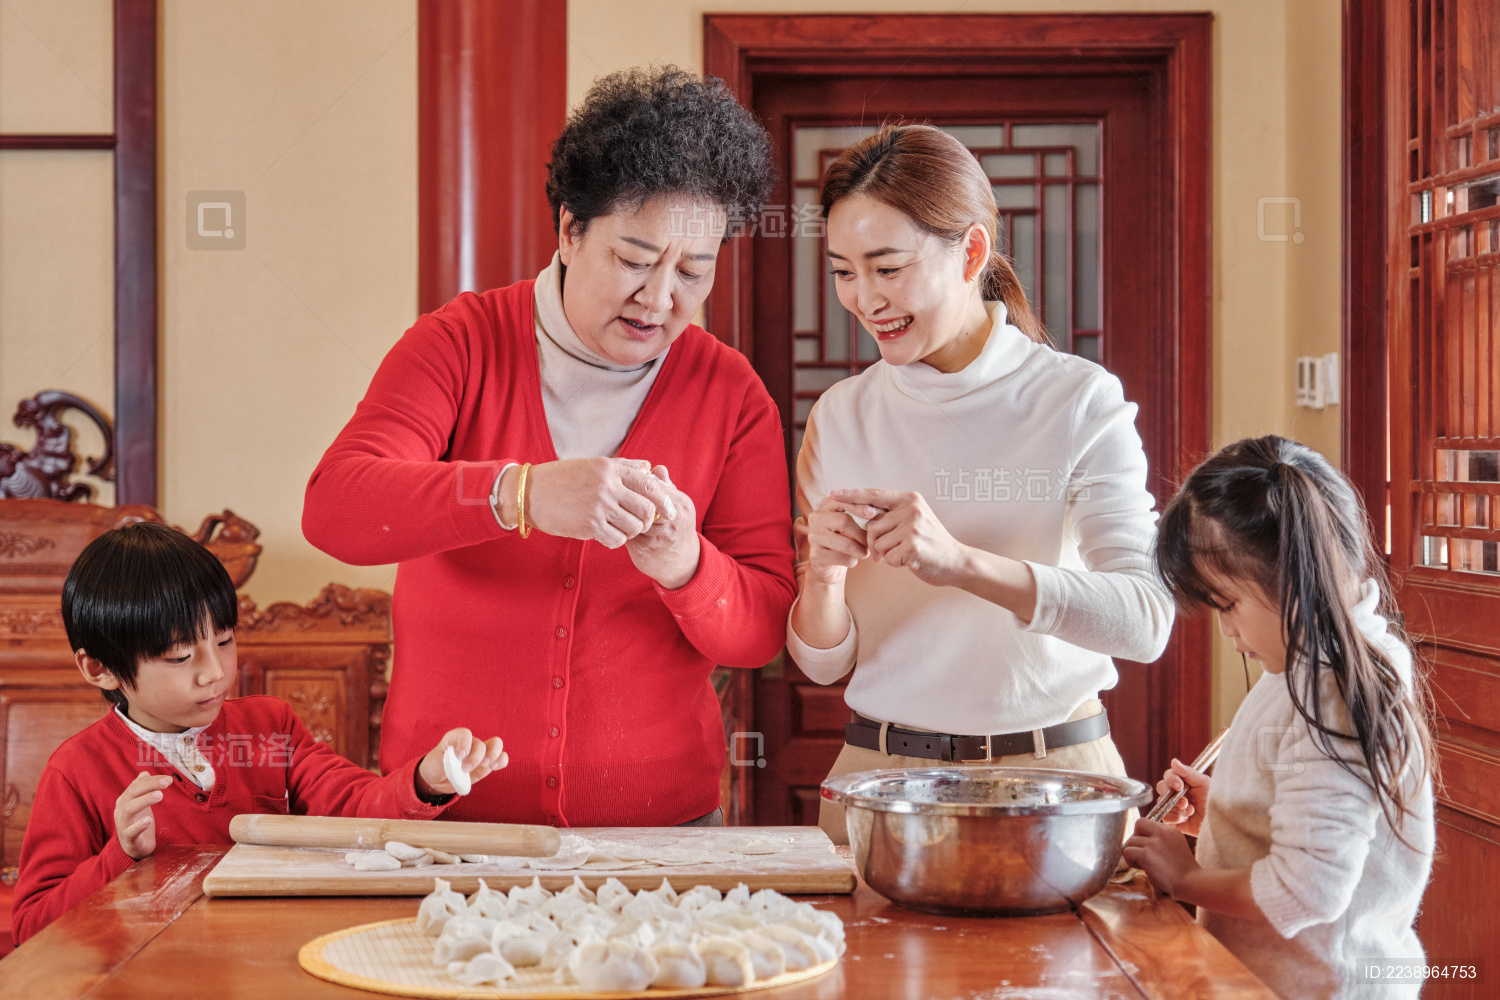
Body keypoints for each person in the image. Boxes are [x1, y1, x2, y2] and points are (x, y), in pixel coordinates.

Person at [303, 67, 793, 829]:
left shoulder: (729, 394)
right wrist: (519, 495)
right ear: (570, 230)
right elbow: (337, 508)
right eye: (634, 260)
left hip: (661, 830)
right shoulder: (460, 345)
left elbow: (761, 626)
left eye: (693, 270)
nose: (660, 298)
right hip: (451, 823)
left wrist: (687, 566)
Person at [787, 124, 1173, 844]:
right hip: (875, 782)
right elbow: (822, 660)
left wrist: (961, 563)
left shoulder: (1078, 401)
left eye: (887, 267)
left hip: (1054, 780)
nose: (864, 299)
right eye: (843, 271)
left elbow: (1145, 621)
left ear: (970, 251)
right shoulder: (842, 416)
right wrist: (825, 580)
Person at [11, 523, 507, 945]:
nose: (214, 673)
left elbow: (351, 802)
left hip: (268, 951)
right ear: (100, 668)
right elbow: (33, 925)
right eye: (180, 657)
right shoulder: (77, 771)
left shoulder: (271, 729)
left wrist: (425, 779)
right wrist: (119, 856)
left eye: (224, 641)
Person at [1124, 436, 1436, 1000]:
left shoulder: (1333, 691)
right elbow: (1313, 816)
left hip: (1318, 986)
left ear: (1294, 577)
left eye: (1227, 605)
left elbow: (1308, 891)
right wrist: (1224, 816)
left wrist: (1187, 878)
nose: (1225, 631)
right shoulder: (1329, 657)